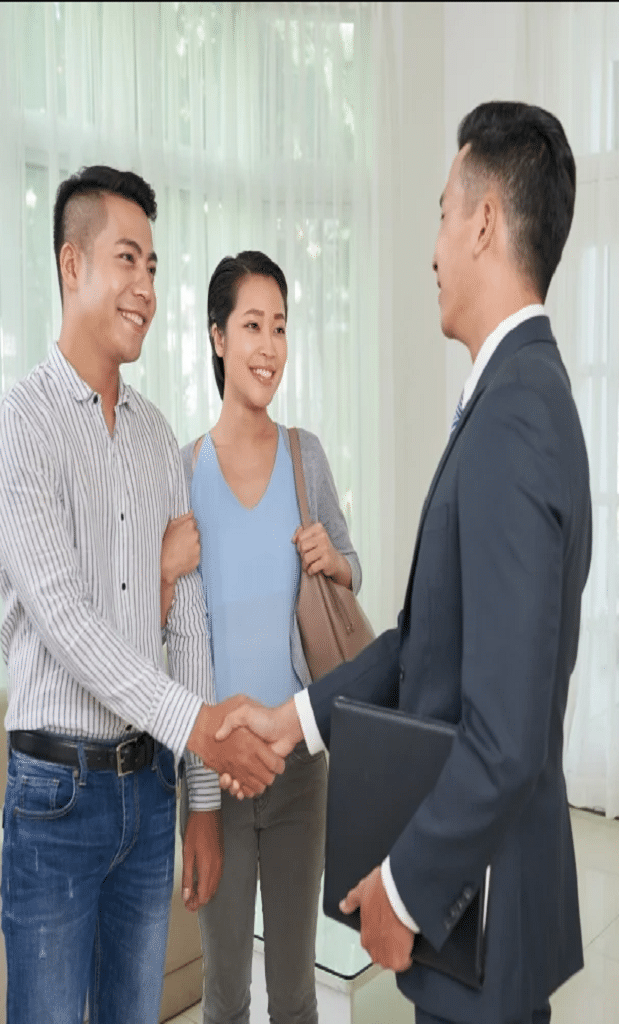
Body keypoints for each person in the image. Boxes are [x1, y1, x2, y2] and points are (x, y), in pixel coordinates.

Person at [217, 101, 591, 1024]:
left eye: (438, 213)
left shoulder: (514, 417)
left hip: (476, 905)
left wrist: (408, 890)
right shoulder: (514, 394)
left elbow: (504, 737)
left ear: (485, 223)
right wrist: (296, 717)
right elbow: (427, 641)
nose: (430, 249)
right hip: (484, 903)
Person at [0, 166, 289, 1024]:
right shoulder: (19, 427)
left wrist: (199, 802)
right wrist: (202, 727)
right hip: (55, 797)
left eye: (154, 267)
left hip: (148, 797)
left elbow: (184, 623)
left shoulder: (156, 437)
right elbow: (67, 620)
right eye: (129, 261)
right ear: (73, 266)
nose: (148, 289)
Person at [159, 250, 363, 1024]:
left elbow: (351, 571)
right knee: (225, 994)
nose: (269, 346)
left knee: (295, 993)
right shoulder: (179, 472)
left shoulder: (305, 455)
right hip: (213, 774)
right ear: (217, 337)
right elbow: (174, 645)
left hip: (299, 765)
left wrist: (336, 562)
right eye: (252, 325)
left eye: (280, 327)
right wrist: (203, 791)